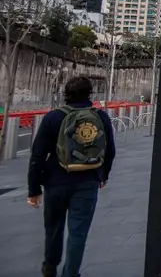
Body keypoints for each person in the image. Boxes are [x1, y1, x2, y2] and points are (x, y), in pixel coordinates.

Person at [28, 76, 116, 277]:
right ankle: (71, 273)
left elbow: (38, 155)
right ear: (90, 94)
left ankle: (50, 266)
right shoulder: (100, 117)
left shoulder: (52, 117)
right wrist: (103, 175)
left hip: (55, 181)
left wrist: (33, 189)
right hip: (87, 181)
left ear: (65, 94)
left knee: (53, 226)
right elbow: (109, 150)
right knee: (78, 232)